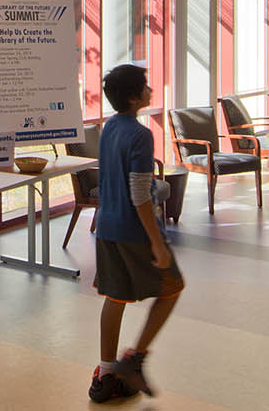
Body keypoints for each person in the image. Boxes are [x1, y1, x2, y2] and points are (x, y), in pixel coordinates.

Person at [88, 63, 182, 403]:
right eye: (145, 86)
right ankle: (135, 359)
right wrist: (157, 243)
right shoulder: (141, 134)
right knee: (172, 288)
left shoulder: (109, 127)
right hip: (133, 232)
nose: (150, 91)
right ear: (132, 97)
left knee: (116, 296)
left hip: (106, 228)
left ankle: (105, 370)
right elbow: (139, 193)